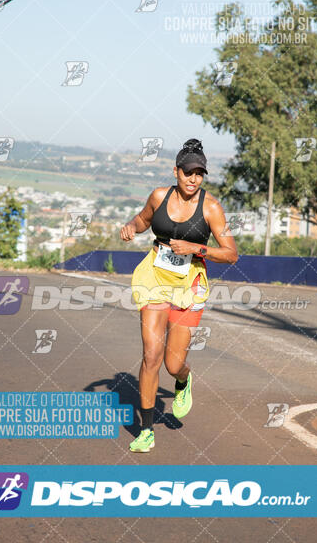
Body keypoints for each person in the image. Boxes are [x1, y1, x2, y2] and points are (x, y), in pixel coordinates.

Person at [120, 139, 238, 452]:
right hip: (155, 276)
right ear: (176, 171)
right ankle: (146, 431)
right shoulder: (159, 196)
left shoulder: (211, 208)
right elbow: (143, 220)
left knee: (173, 364)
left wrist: (197, 248)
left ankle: (183, 380)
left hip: (190, 281)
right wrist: (131, 227)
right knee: (151, 355)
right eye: (188, 172)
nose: (193, 178)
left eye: (199, 173)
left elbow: (231, 254)